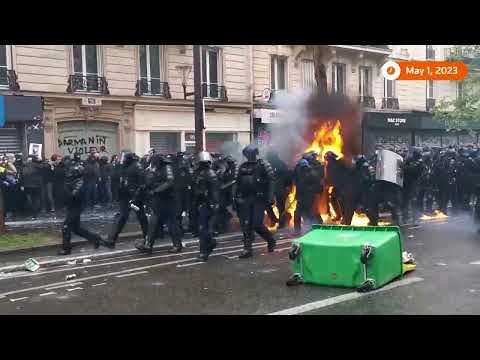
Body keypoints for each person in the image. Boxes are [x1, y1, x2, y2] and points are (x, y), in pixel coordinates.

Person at [234, 144, 276, 259]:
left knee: (257, 224)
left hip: (259, 199)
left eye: (251, 154)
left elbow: (271, 180)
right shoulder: (242, 166)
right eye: (247, 154)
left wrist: (270, 196)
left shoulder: (264, 164)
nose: (249, 156)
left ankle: (270, 239)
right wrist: (236, 196)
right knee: (246, 225)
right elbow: (237, 183)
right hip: (246, 198)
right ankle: (247, 249)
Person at [135, 153, 181, 253]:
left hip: (168, 200)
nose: (152, 164)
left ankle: (177, 245)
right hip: (158, 200)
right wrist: (146, 186)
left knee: (171, 223)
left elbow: (169, 182)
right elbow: (152, 180)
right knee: (153, 223)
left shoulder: (167, 167)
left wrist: (156, 190)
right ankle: (148, 245)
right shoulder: (156, 168)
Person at [102, 151, 148, 249]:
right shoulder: (122, 166)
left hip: (135, 197)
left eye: (124, 157)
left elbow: (143, 182)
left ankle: (148, 238)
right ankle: (111, 240)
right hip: (125, 196)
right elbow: (117, 178)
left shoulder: (137, 166)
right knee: (122, 217)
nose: (122, 159)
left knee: (141, 217)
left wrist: (136, 196)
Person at [58, 160, 102, 255]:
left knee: (66, 227)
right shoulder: (74, 181)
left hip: (76, 207)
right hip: (73, 206)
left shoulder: (80, 182)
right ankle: (95, 238)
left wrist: (66, 190)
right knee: (76, 229)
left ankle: (66, 249)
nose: (70, 174)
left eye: (72, 173)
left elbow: (74, 195)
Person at [192, 151, 219, 262]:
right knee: (203, 229)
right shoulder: (201, 173)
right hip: (203, 204)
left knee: (204, 230)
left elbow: (214, 191)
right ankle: (207, 247)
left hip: (208, 205)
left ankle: (204, 252)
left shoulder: (209, 174)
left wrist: (213, 204)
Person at [293, 151, 324, 234]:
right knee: (301, 213)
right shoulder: (301, 172)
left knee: (306, 212)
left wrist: (312, 191)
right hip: (302, 195)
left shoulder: (311, 173)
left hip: (308, 196)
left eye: (302, 167)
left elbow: (317, 183)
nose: (301, 169)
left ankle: (316, 225)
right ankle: (299, 229)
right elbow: (297, 183)